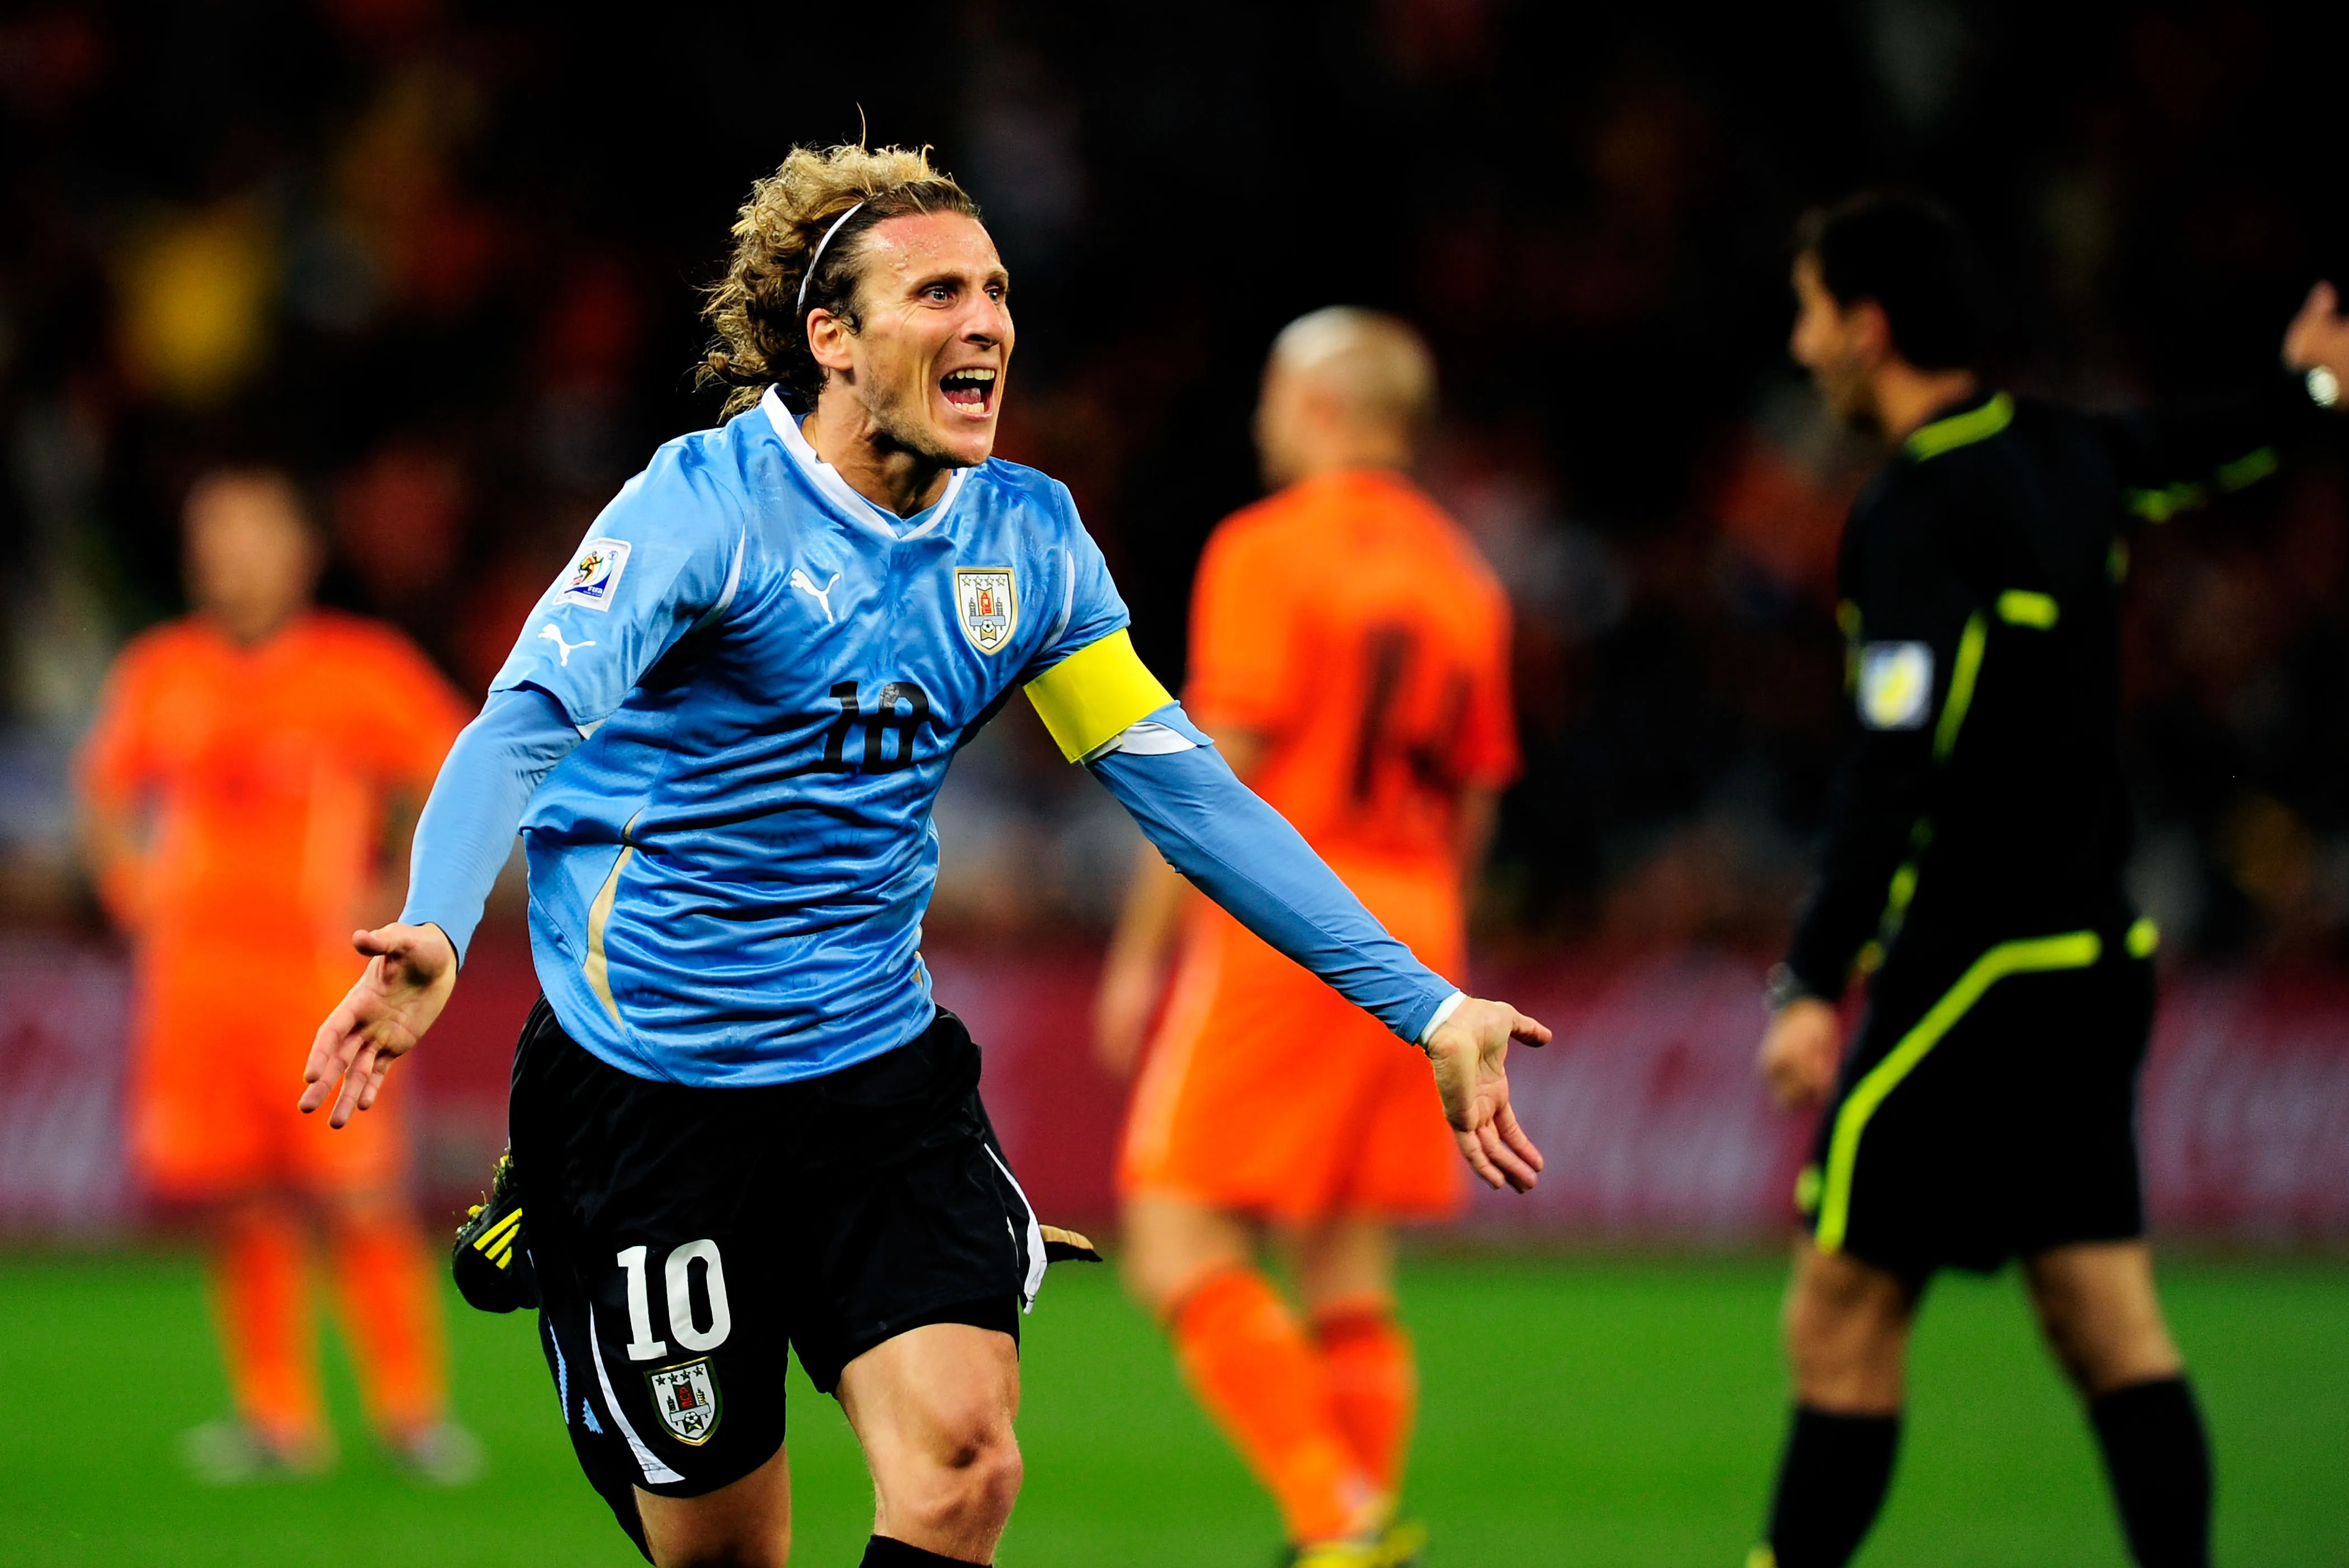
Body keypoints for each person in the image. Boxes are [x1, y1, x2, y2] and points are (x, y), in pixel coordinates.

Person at [297, 141, 1549, 1568]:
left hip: (872, 1082)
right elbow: (523, 722)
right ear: (829, 338)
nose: (987, 324)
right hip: (650, 1093)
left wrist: (1427, 1004)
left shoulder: (1028, 539)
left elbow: (1188, 795)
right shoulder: (702, 511)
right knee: (722, 1555)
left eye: (998, 291)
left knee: (966, 1462)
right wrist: (441, 923)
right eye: (938, 291)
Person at [1750, 191, 2349, 1568]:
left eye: (1807, 316)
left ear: (1865, 330)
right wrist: (2319, 384)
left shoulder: (1915, 511)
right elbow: (2209, 445)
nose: (1799, 349)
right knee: (2104, 1316)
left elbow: (1890, 763)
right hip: (2094, 957)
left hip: (1973, 962)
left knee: (1838, 1312)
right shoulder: (2070, 455)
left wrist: (1814, 974)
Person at [1091, 307, 1516, 1562]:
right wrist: (1443, 969)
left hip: (1296, 913)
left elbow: (1213, 777)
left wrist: (1136, 956)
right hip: (1418, 914)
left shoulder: (1267, 549)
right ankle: (1361, 1523)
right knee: (1344, 1256)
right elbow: (1480, 798)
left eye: (1274, 395)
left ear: (1324, 406)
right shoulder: (1465, 574)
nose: (1261, 421)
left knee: (1169, 1227)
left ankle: (1335, 1519)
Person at [78, 467, 478, 1482]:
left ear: (300, 551)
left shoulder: (359, 669)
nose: (230, 555)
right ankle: (277, 1416)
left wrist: (404, 903)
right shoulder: (162, 669)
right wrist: (136, 895)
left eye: (251, 533)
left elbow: (451, 776)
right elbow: (104, 794)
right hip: (196, 984)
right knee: (237, 1200)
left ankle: (409, 1412)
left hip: (316, 977)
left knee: (357, 1194)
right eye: (213, 535)